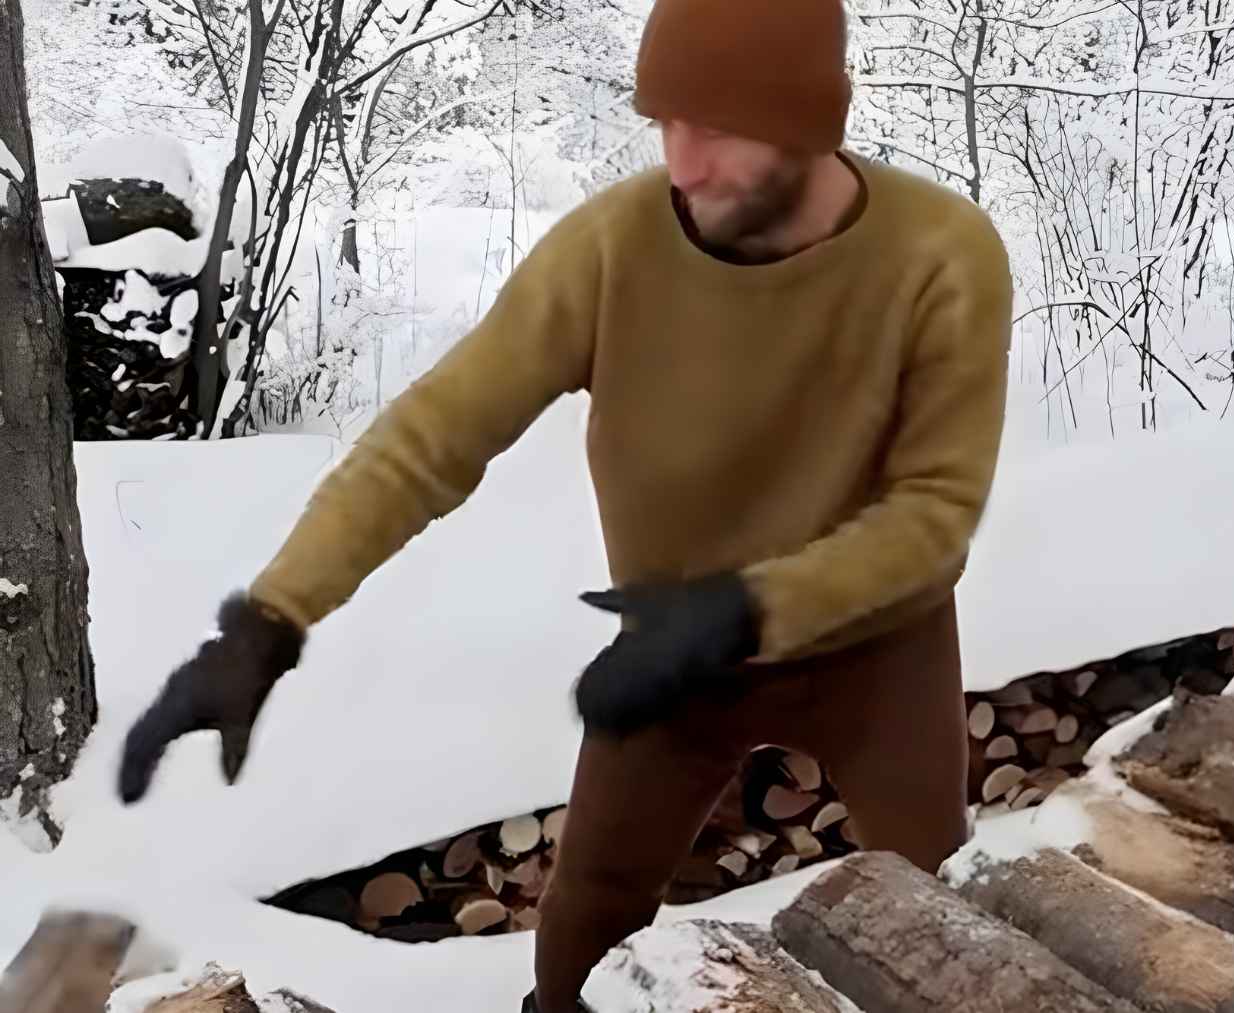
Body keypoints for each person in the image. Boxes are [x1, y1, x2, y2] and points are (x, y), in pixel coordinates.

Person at [113, 0, 1014, 1009]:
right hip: (669, 657)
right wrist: (271, 619)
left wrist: (739, 611)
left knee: (943, 924)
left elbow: (935, 513)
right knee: (582, 930)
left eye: (718, 129)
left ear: (809, 121)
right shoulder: (614, 248)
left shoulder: (941, 252)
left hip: (877, 648)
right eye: (666, 124)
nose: (683, 164)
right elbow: (434, 436)